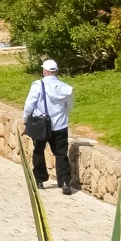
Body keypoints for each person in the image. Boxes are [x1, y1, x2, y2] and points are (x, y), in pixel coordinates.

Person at [24, 58, 77, 194]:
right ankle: (64, 182)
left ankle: (40, 180)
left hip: (41, 125)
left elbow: (30, 104)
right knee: (61, 153)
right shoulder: (64, 87)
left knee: (39, 151)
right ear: (56, 71)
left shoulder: (38, 85)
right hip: (60, 125)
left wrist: (26, 118)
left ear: (44, 71)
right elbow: (70, 106)